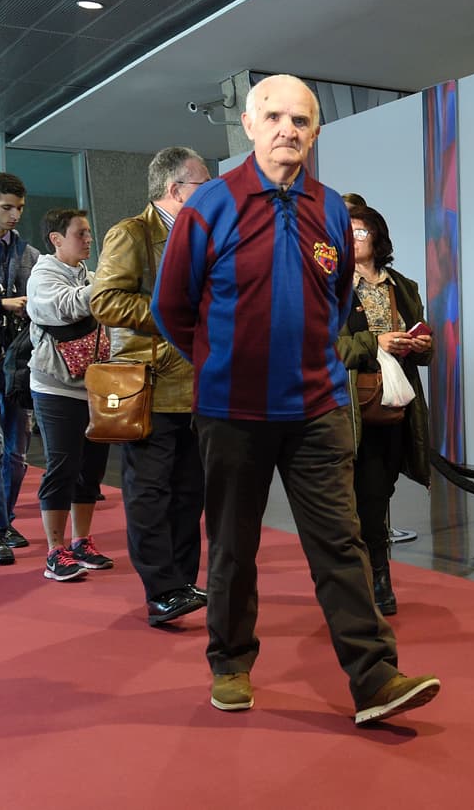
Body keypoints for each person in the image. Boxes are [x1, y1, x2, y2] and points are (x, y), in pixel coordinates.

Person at [152, 74, 440, 724]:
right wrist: (219, 362)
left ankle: (374, 680)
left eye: (302, 120)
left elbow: (335, 306)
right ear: (251, 127)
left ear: (313, 133)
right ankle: (230, 662)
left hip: (316, 411)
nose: (288, 129)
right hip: (231, 410)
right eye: (275, 116)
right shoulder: (209, 208)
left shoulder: (332, 209)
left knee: (340, 544)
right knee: (233, 542)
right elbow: (171, 307)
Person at [90, 147, 210, 623]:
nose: (213, 191)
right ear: (175, 189)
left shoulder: (200, 236)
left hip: (198, 386)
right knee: (149, 491)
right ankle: (162, 588)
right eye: (204, 183)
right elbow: (105, 301)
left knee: (189, 491)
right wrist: (172, 318)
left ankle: (181, 583)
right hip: (151, 384)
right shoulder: (132, 233)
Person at [337, 203, 433, 616]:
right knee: (366, 499)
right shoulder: (331, 287)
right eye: (347, 232)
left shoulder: (403, 286)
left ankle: (371, 574)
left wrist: (421, 346)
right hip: (351, 408)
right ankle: (375, 579)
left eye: (360, 232)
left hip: (397, 405)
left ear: (377, 237)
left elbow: (422, 348)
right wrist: (376, 344)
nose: (353, 239)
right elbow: (326, 348)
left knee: (380, 492)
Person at [26, 208, 114, 581]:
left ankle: (82, 542)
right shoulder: (43, 276)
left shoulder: (88, 275)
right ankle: (54, 551)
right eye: (81, 233)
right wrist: (108, 283)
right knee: (62, 466)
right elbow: (65, 307)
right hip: (54, 388)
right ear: (57, 239)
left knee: (91, 469)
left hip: (93, 387)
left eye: (90, 233)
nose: (89, 240)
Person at [0, 172, 37, 565]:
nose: (15, 214)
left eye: (19, 207)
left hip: (19, 364)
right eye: (6, 207)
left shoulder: (29, 254)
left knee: (17, 455)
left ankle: (4, 519)